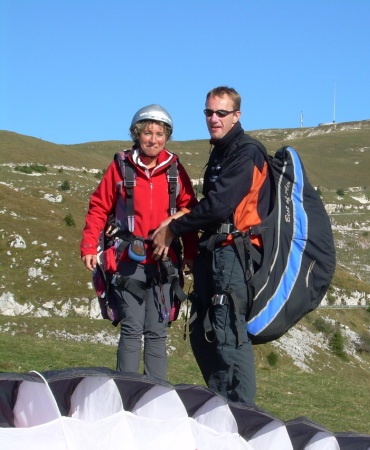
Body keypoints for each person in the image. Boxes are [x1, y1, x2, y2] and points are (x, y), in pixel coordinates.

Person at [151, 86, 271, 404]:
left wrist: (174, 229)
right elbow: (211, 205)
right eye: (208, 112)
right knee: (205, 332)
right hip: (214, 250)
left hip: (234, 252)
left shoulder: (247, 152)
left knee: (228, 332)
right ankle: (221, 406)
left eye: (221, 113)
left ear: (236, 115)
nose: (213, 119)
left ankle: (242, 415)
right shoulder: (221, 151)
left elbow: (219, 206)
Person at [80, 104, 198, 380]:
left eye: (159, 134)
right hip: (127, 261)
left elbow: (190, 212)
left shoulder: (175, 170)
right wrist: (89, 245)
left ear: (167, 136)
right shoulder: (121, 167)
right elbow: (99, 207)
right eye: (147, 133)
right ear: (137, 134)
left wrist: (191, 253)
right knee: (132, 328)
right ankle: (127, 393)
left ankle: (155, 395)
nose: (153, 140)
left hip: (164, 263)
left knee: (157, 332)